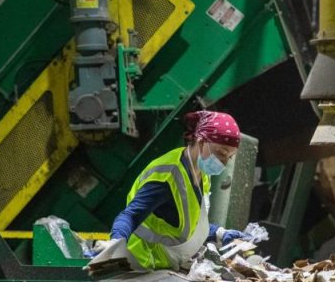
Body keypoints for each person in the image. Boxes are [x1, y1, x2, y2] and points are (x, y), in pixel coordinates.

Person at [106, 110, 251, 270]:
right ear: (202, 141)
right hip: (141, 264)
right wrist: (116, 245)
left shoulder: (202, 173)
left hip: (167, 266)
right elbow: (131, 215)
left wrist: (219, 233)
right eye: (221, 153)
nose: (223, 162)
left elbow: (185, 225)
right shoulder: (167, 175)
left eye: (229, 157)